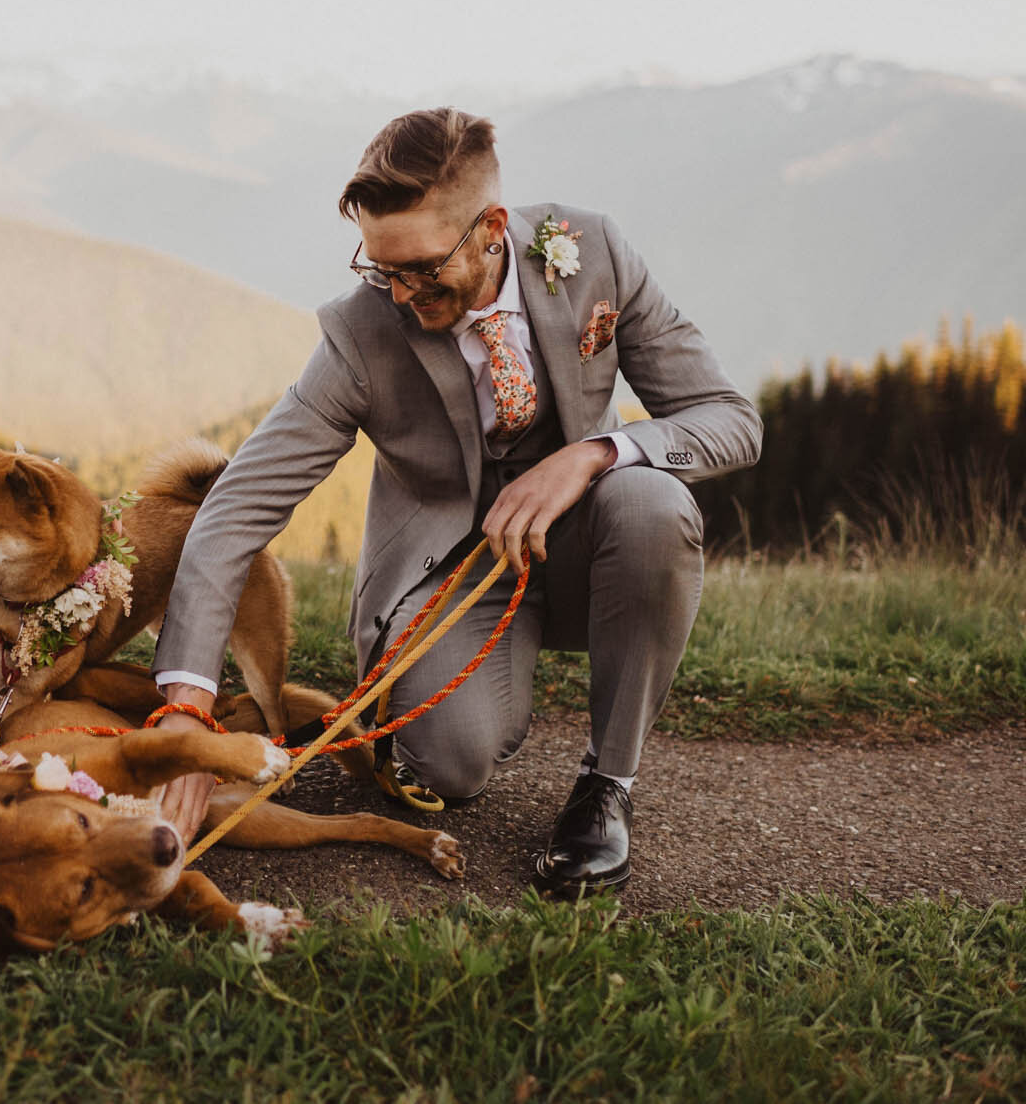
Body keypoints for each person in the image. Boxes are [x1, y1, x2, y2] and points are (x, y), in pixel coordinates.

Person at [148, 108, 761, 895]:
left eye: (422, 268)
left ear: (493, 228)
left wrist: (595, 453)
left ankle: (609, 785)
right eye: (380, 269)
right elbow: (236, 508)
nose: (400, 292)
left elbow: (732, 420)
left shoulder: (594, 252)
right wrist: (187, 706)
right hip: (452, 575)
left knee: (651, 504)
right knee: (449, 763)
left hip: (592, 550)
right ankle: (472, 686)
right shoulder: (360, 335)